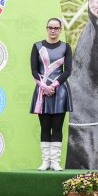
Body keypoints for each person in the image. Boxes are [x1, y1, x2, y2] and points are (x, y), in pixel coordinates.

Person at [29, 18, 72, 170]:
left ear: (60, 30)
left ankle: (55, 162)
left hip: (60, 91)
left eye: (56, 28)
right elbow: (34, 70)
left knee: (57, 127)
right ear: (46, 29)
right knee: (45, 127)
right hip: (42, 90)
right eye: (50, 27)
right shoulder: (37, 46)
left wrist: (53, 85)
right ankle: (45, 162)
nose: (53, 30)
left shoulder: (66, 47)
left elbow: (68, 71)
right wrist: (44, 86)